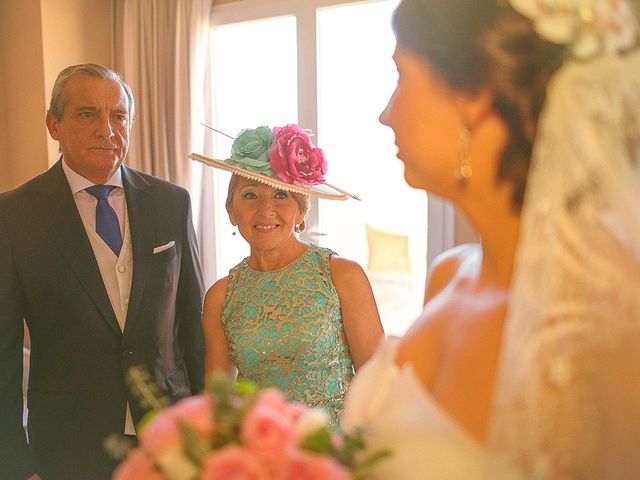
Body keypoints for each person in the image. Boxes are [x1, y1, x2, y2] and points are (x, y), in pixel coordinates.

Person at [343, 0, 640, 478]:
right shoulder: (449, 274)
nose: (386, 114)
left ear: (473, 96)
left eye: (400, 75)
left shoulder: (598, 329)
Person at [0, 64, 205, 480]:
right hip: (68, 443)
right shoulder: (14, 215)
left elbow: (192, 325)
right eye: (87, 114)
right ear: (53, 124)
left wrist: (206, 432)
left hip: (169, 433)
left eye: (118, 116)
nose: (106, 129)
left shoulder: (171, 203)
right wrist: (16, 464)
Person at [192, 124, 384, 423]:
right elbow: (219, 405)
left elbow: (378, 388)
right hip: (262, 457)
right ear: (231, 211)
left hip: (338, 456)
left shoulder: (342, 275)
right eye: (251, 195)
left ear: (302, 210)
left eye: (281, 195)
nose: (266, 209)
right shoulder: (221, 295)